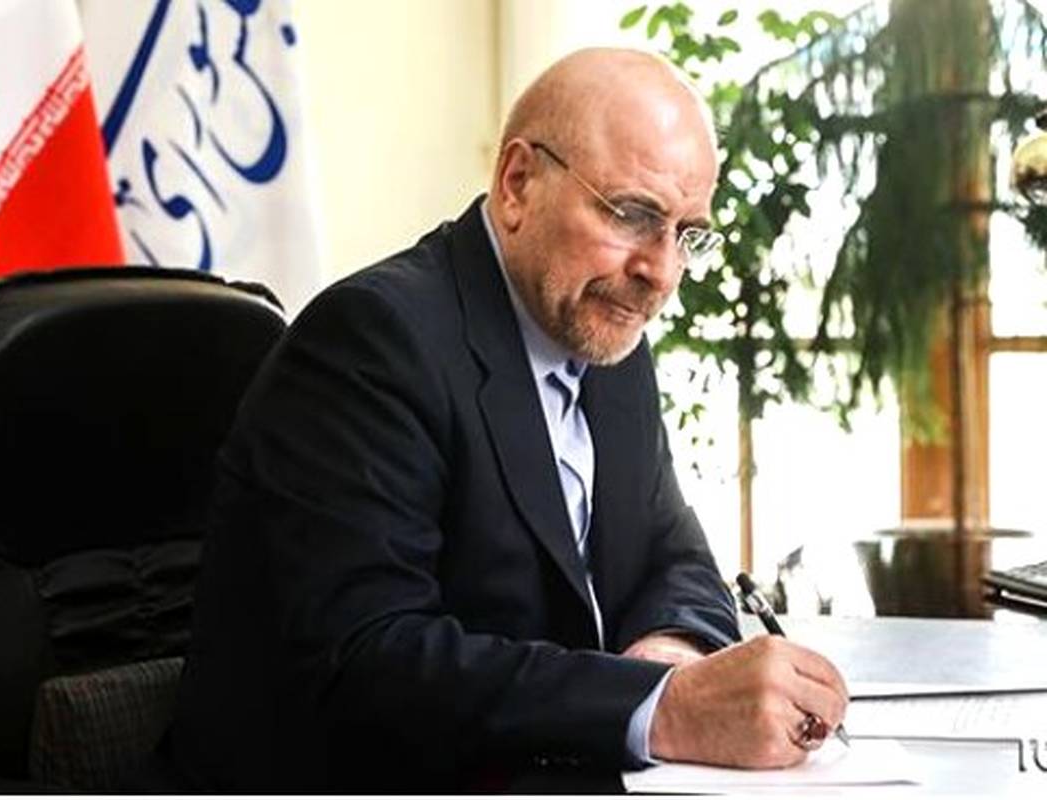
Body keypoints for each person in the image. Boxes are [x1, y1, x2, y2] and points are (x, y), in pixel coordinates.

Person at [166, 47, 849, 792]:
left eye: (687, 234)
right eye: (632, 214)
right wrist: (662, 710)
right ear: (518, 182)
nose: (661, 272)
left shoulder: (604, 332)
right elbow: (370, 660)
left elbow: (673, 552)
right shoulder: (374, 340)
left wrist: (671, 653)